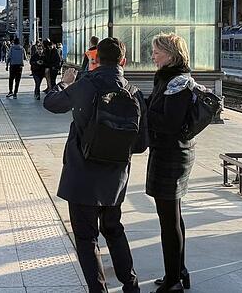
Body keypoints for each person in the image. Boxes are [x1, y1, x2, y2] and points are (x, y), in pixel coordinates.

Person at [43, 38, 148, 293]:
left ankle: (98, 290)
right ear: (123, 61)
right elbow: (141, 144)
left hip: (82, 176)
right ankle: (131, 285)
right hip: (115, 179)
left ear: (96, 59)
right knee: (114, 230)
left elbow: (51, 103)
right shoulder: (134, 92)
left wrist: (64, 83)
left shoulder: (86, 84)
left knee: (86, 237)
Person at [147, 33, 195, 292]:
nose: (153, 56)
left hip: (172, 154)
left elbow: (170, 123)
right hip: (170, 151)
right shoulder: (169, 79)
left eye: (157, 52)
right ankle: (178, 271)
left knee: (168, 219)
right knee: (173, 215)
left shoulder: (177, 83)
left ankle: (173, 281)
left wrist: (144, 113)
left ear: (170, 55)